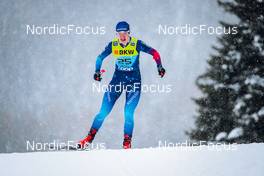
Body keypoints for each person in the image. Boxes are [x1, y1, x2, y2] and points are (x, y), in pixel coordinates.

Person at [78, 21, 166, 149]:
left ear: (129, 33)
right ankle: (87, 140)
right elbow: (100, 57)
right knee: (103, 112)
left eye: (124, 33)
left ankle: (126, 144)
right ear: (116, 34)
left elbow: (155, 53)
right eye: (119, 34)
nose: (122, 36)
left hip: (133, 83)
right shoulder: (113, 45)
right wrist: (97, 71)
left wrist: (160, 66)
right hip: (117, 81)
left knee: (128, 113)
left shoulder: (137, 44)